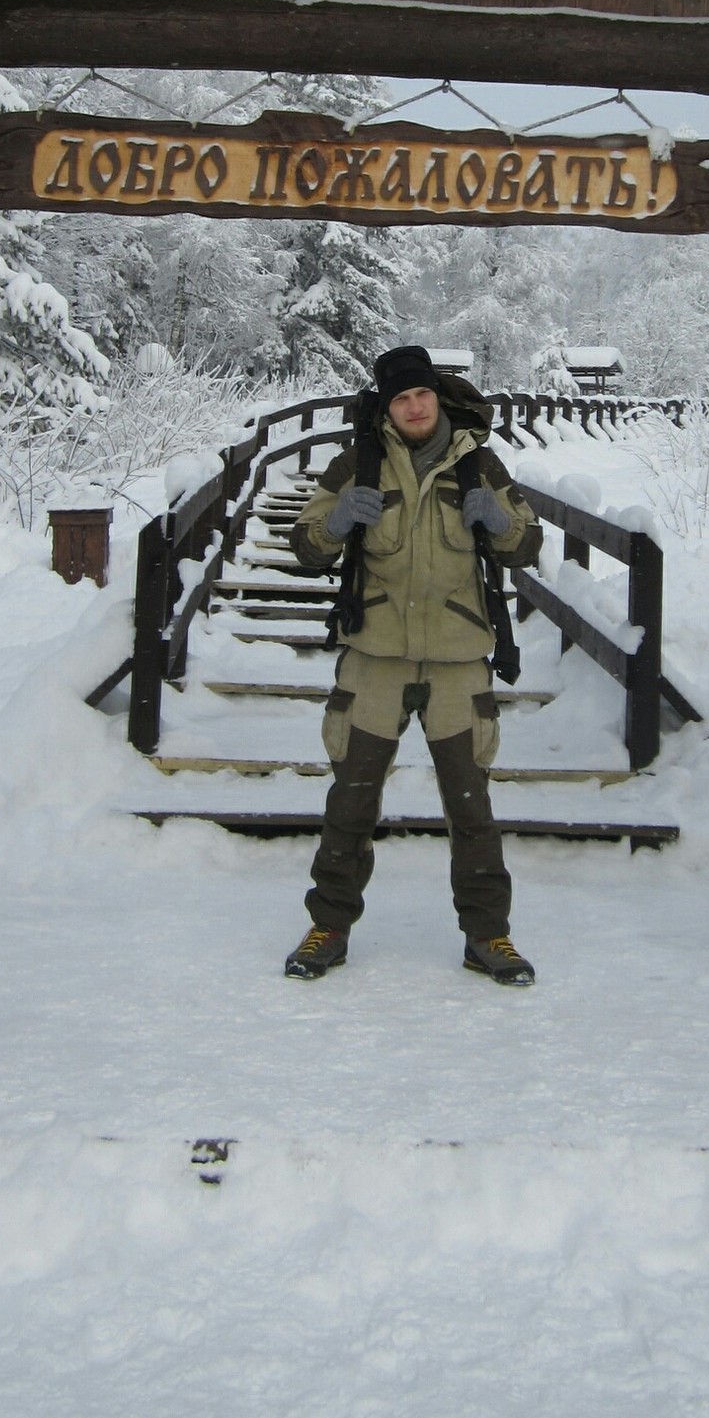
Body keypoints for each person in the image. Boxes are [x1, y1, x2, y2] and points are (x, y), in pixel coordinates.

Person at [283, 345, 544, 985]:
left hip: (459, 660)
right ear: (388, 407)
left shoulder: (480, 463)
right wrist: (337, 522)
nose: (414, 406)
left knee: (471, 806)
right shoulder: (358, 462)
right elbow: (305, 545)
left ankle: (488, 935)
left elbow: (528, 540)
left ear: (438, 395)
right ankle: (329, 927)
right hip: (374, 659)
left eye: (421, 394)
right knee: (351, 801)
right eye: (401, 398)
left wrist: (501, 520)